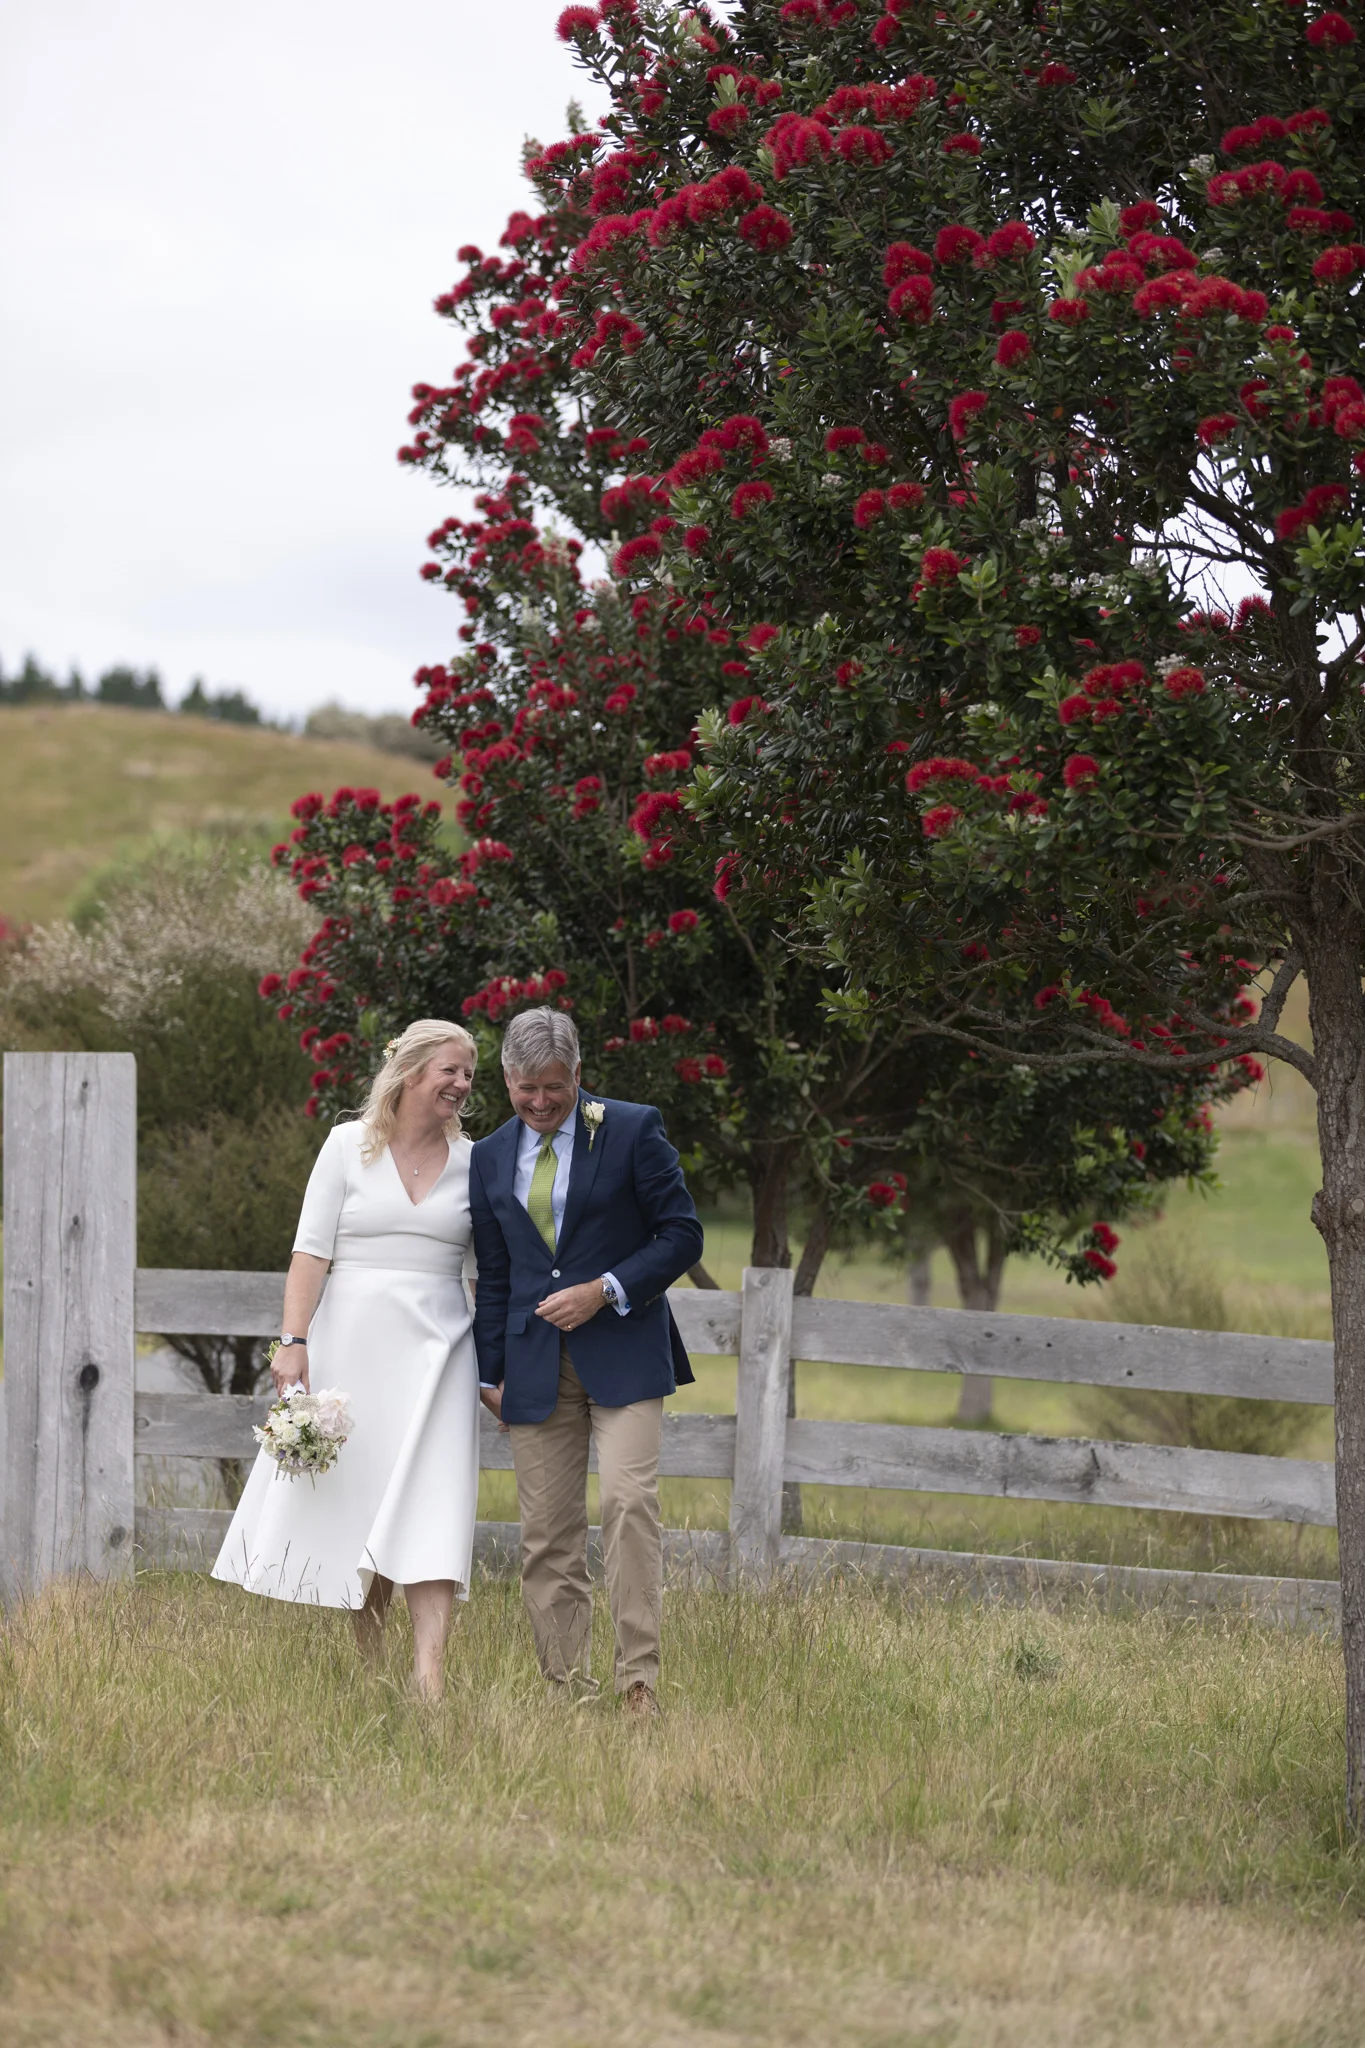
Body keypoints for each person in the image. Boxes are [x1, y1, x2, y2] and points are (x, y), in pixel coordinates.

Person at [212, 1019, 481, 1700]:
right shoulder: (344, 1148)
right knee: (363, 1501)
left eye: (468, 1075)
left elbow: (494, 1271)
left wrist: (497, 1365)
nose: (461, 1084)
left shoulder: (479, 1163)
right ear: (412, 1070)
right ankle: (368, 1667)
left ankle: (429, 1679)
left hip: (442, 1351)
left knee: (434, 1502)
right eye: (450, 1070)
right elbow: (310, 1251)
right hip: (353, 1347)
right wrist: (293, 1340)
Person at [470, 1007, 704, 1717]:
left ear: (578, 1075)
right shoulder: (487, 1156)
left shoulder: (632, 1128)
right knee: (547, 1533)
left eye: (553, 1088)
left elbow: (682, 1235)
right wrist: (489, 1374)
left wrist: (604, 1291)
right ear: (505, 1080)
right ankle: (561, 1687)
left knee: (628, 1504)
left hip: (625, 1357)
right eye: (524, 1089)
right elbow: (497, 1273)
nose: (539, 1103)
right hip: (532, 1367)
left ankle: (639, 1681)